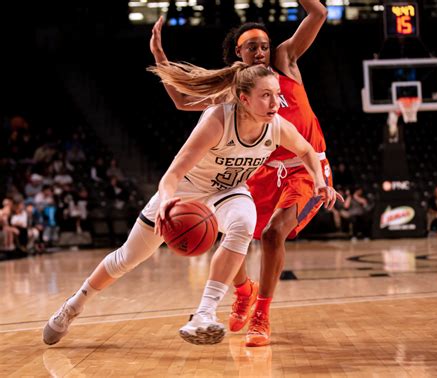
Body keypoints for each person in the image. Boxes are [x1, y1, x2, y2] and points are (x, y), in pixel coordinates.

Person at [43, 62, 342, 346]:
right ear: (244, 98)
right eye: (265, 96)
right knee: (126, 258)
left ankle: (204, 314)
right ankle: (73, 305)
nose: (275, 103)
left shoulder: (275, 126)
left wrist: (319, 181)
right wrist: (165, 202)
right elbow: (173, 174)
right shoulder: (217, 120)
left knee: (244, 223)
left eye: (276, 95)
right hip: (185, 193)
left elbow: (307, 151)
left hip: (228, 192)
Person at [150, 0, 331, 346]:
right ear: (239, 52)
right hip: (260, 171)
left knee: (274, 234)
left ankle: (262, 314)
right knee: (231, 232)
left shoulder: (286, 62)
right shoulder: (235, 92)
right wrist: (160, 58)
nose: (261, 52)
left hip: (303, 169)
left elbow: (318, 14)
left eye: (264, 45)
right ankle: (243, 291)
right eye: (252, 47)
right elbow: (183, 102)